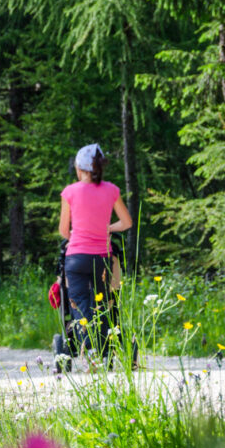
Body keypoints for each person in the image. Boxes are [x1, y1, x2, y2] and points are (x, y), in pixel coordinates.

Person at [58, 143, 135, 369]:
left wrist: (78, 233)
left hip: (76, 258)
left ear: (80, 168)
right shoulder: (111, 190)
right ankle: (103, 352)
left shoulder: (70, 192)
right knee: (102, 304)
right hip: (102, 258)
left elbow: (64, 231)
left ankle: (89, 352)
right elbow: (127, 223)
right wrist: (106, 228)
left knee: (79, 306)